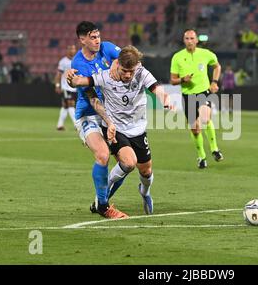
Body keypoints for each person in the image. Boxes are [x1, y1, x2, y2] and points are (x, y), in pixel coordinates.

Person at [68, 45, 174, 216]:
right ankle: (102, 199)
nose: (127, 75)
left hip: (138, 128)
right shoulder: (105, 76)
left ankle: (145, 192)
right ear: (117, 64)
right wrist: (70, 77)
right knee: (128, 162)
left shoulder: (141, 73)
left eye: (130, 71)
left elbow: (157, 89)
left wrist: (166, 100)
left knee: (146, 171)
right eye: (124, 71)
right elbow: (81, 82)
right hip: (115, 128)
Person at [70, 21, 124, 219]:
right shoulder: (78, 64)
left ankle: (100, 199)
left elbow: (128, 60)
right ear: (82, 39)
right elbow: (92, 98)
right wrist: (109, 122)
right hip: (88, 115)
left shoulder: (107, 48)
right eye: (92, 37)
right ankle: (103, 206)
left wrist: (118, 65)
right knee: (102, 155)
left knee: (126, 163)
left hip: (112, 113)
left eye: (98, 36)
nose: (97, 40)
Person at [170, 29, 223, 169]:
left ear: (197, 40)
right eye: (187, 38)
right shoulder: (177, 57)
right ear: (184, 40)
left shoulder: (205, 54)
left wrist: (214, 82)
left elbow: (217, 66)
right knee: (195, 129)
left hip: (203, 92)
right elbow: (172, 80)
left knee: (206, 118)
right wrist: (183, 79)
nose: (189, 41)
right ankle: (202, 157)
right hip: (187, 95)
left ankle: (215, 149)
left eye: (192, 38)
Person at [55, 44, 77, 131]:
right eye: (71, 48)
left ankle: (59, 125)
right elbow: (58, 75)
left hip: (75, 87)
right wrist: (57, 85)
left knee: (65, 106)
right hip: (66, 87)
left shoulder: (77, 60)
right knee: (70, 104)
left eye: (74, 49)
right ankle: (77, 124)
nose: (72, 50)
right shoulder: (63, 61)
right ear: (67, 50)